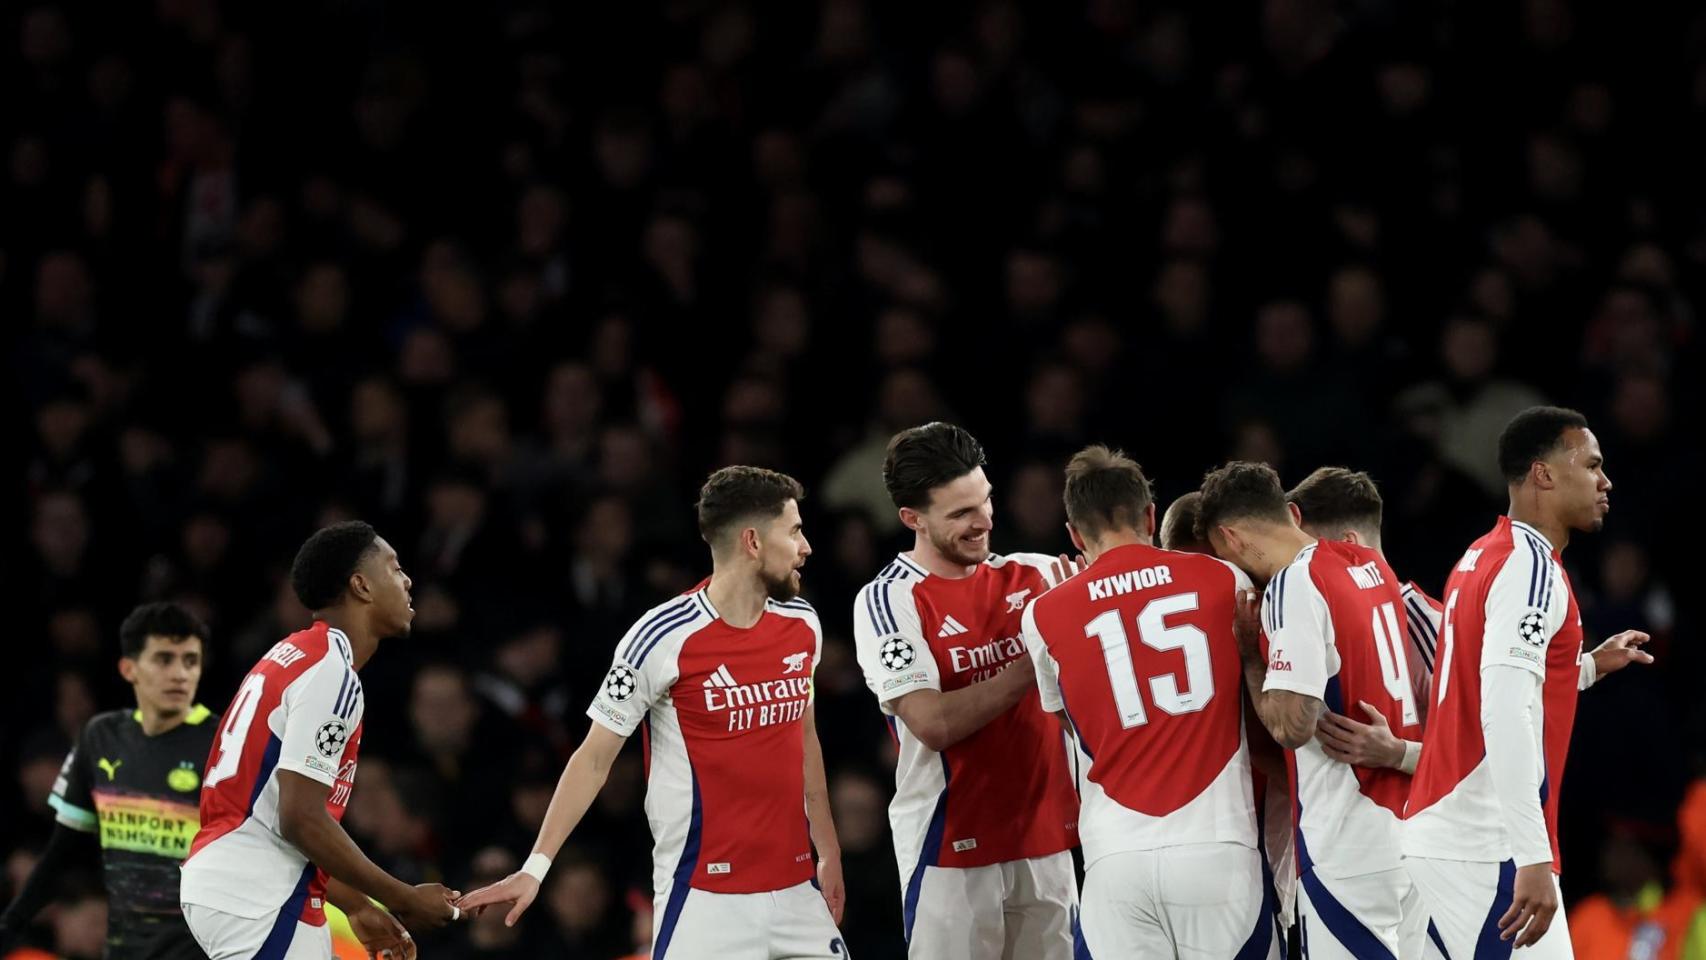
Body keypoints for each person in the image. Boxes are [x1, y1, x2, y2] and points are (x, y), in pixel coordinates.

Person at [456, 467, 847, 960]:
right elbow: (594, 758)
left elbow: (803, 739)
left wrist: (828, 851)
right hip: (704, 901)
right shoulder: (661, 636)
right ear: (752, 541)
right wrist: (535, 866)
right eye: (793, 531)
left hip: (797, 893)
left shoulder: (802, 622)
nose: (806, 546)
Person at [1405, 406, 1653, 955]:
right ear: (1544, 474)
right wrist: (1532, 855)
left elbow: (1488, 680)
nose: (1604, 481)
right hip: (1485, 842)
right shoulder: (1533, 568)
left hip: (1443, 831)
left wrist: (1582, 667)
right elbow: (1504, 708)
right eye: (1591, 465)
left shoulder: (1481, 554)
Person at [1020, 446, 1278, 956]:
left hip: (1115, 859)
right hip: (1218, 848)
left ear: (1073, 533)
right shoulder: (1225, 580)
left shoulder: (1042, 614)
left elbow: (1072, 723)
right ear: (1149, 515)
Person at [851, 422, 1078, 960]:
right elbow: (934, 724)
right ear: (913, 520)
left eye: (985, 501)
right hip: (949, 848)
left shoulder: (1040, 575)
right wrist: (1038, 655)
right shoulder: (888, 602)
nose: (983, 523)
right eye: (960, 514)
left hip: (1046, 842)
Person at [179, 521, 458, 960]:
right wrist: (403, 898)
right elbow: (300, 818)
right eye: (395, 567)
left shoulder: (292, 655)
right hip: (261, 893)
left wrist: (357, 904)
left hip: (245, 882)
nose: (407, 580)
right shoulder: (331, 673)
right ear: (362, 586)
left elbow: (278, 815)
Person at [1198, 461, 1429, 958]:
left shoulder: (1293, 585)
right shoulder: (1366, 561)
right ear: (1291, 513)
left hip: (1347, 843)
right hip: (1410, 830)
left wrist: (1250, 657)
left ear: (1230, 537)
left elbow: (1293, 724)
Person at [1, 603, 218, 960]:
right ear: (129, 668)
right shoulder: (100, 737)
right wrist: (11, 923)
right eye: (165, 660)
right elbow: (63, 849)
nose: (180, 674)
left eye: (190, 661)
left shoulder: (225, 744)